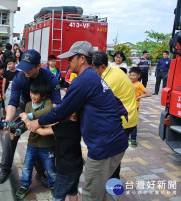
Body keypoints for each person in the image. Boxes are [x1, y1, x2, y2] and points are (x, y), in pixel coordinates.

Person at [26, 41, 128, 201]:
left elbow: (62, 110)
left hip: (104, 146)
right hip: (114, 142)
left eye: (70, 58)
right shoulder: (91, 76)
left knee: (89, 194)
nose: (67, 62)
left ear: (81, 59)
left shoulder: (83, 80)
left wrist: (37, 122)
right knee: (99, 190)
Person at [0, 49, 61, 186]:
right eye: (23, 67)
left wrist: (39, 121)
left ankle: (41, 172)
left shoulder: (50, 78)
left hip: (44, 109)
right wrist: (8, 119)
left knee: (39, 136)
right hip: (24, 106)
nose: (25, 71)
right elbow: (13, 102)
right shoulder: (20, 78)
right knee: (11, 133)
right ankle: (5, 168)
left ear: (38, 66)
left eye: (29, 68)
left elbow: (55, 104)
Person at [92, 50, 138, 179]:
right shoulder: (112, 70)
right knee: (113, 154)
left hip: (123, 121)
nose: (91, 71)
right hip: (127, 117)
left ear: (102, 66)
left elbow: (97, 102)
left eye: (92, 68)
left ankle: (113, 187)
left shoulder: (108, 80)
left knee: (113, 156)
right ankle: (111, 183)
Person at [14, 79, 56, 199]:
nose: (32, 95)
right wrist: (18, 131)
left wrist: (30, 116)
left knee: (50, 168)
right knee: (27, 166)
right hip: (32, 143)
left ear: (44, 95)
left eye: (36, 93)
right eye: (32, 92)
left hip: (47, 145)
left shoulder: (47, 103)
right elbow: (26, 125)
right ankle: (25, 185)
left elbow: (47, 112)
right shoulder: (28, 105)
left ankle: (54, 186)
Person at [32, 113, 82, 201]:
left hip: (66, 169)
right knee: (73, 192)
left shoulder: (66, 125)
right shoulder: (78, 124)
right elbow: (54, 124)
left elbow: (42, 132)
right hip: (77, 165)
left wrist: (28, 122)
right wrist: (38, 122)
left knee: (57, 196)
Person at [129, 67, 151, 147]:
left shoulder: (139, 84)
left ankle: (133, 139)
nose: (131, 77)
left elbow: (148, 94)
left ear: (138, 76)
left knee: (133, 123)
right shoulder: (128, 82)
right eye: (130, 75)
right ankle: (126, 137)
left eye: (134, 75)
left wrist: (139, 97)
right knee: (125, 121)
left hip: (135, 106)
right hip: (126, 106)